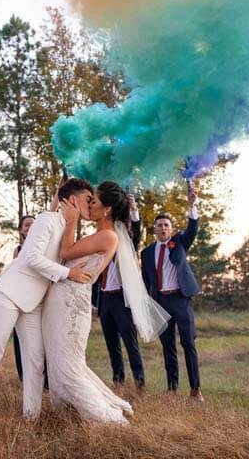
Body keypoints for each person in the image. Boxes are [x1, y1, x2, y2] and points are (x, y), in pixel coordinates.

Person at [0, 178, 95, 437]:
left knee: (35, 362)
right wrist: (67, 273)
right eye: (88, 199)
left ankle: (30, 419)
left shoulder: (69, 229)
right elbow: (33, 258)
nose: (91, 204)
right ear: (74, 200)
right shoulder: (46, 219)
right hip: (8, 293)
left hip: (34, 303)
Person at [42, 181, 169, 423]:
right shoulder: (100, 234)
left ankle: (111, 420)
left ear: (107, 209)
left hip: (71, 305)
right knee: (62, 363)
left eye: (94, 201)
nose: (89, 205)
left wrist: (71, 220)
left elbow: (65, 253)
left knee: (69, 368)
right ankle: (67, 414)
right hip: (61, 300)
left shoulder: (108, 237)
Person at [139, 181, 204, 401]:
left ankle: (195, 390)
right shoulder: (147, 253)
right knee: (168, 347)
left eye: (166, 225)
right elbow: (146, 281)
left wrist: (192, 206)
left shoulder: (180, 243)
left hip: (180, 299)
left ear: (172, 229)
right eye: (159, 225)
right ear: (155, 230)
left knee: (188, 343)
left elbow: (193, 229)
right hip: (160, 302)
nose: (163, 228)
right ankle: (172, 388)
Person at [91, 193, 145, 388]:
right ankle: (118, 381)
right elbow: (96, 272)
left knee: (131, 344)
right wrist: (94, 302)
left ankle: (139, 382)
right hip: (105, 299)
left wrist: (134, 210)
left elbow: (137, 235)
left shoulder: (125, 240)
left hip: (122, 300)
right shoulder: (101, 240)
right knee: (112, 344)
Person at [11, 214, 34, 381]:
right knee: (20, 338)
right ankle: (23, 377)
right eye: (27, 225)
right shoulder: (17, 251)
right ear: (21, 230)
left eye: (34, 224)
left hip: (39, 298)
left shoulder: (46, 248)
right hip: (20, 297)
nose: (30, 227)